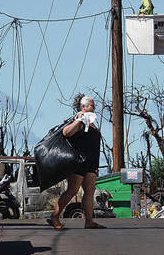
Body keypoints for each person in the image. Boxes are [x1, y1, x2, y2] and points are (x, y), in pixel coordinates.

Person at [48, 95, 105, 229]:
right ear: (83, 107)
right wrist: (79, 119)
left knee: (90, 191)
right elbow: (66, 133)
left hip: (91, 163)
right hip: (78, 162)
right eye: (91, 105)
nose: (94, 107)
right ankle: (54, 216)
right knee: (73, 190)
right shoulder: (79, 119)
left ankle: (89, 221)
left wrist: (96, 166)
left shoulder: (91, 122)